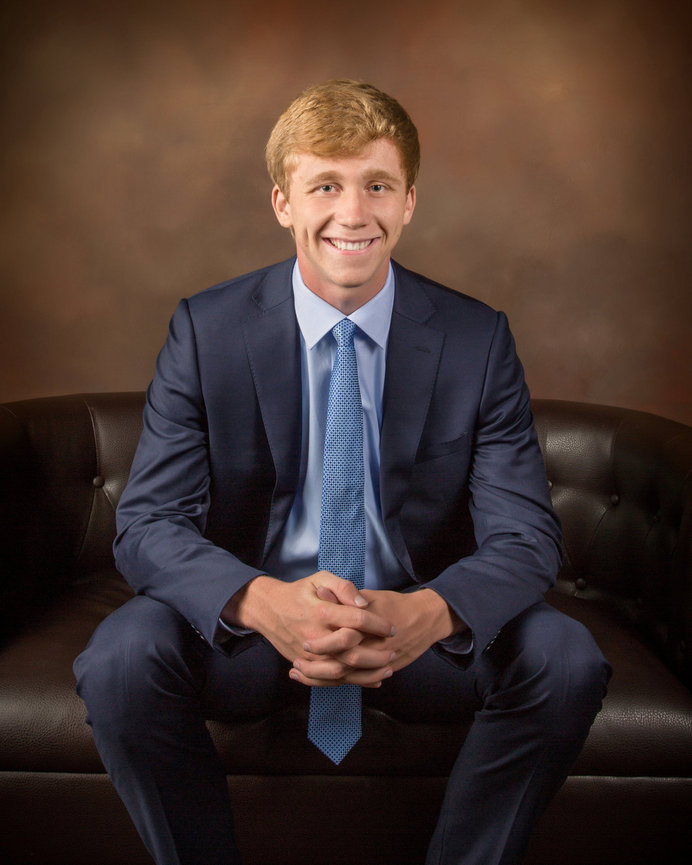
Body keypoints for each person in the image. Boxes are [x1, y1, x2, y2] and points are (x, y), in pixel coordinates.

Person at [74, 79, 611, 865]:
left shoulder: (475, 338)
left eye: (377, 186)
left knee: (567, 658)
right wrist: (262, 602)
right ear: (283, 203)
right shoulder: (206, 329)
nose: (353, 213)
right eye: (325, 185)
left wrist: (424, 615)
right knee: (120, 657)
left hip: (417, 636)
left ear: (409, 202)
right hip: (253, 635)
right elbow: (148, 523)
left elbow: (526, 536)